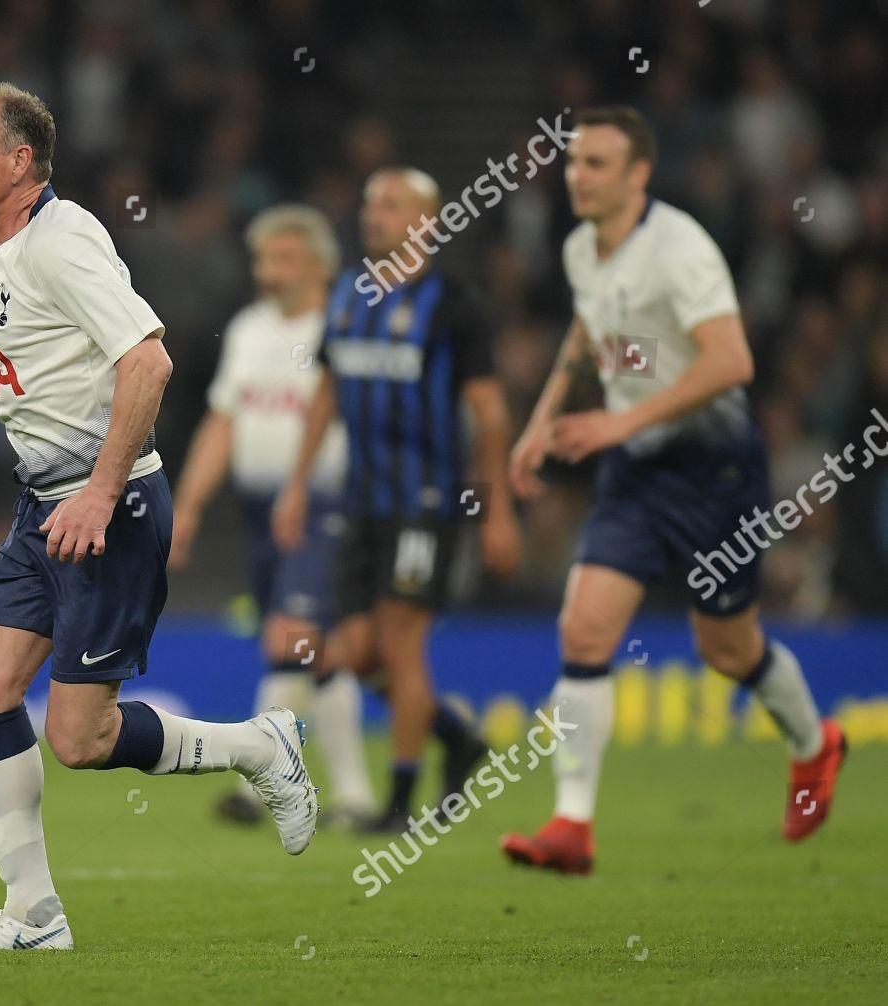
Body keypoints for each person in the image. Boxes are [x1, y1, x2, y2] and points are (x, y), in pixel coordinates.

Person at [0, 83, 318, 952]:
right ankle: (34, 917)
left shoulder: (65, 244)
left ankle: (260, 747)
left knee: (80, 737)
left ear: (18, 162)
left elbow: (149, 361)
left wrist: (100, 492)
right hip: (44, 508)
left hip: (111, 510)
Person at [500, 107, 847, 875]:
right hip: (635, 473)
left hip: (714, 469)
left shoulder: (681, 249)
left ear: (638, 174)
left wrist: (623, 426)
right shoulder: (579, 248)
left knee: (726, 646)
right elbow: (589, 333)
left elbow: (732, 362)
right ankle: (572, 824)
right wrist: (541, 420)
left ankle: (815, 744)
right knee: (584, 630)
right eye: (573, 161)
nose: (578, 175)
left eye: (596, 163)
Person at [274, 168, 523, 835]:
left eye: (390, 205)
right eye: (368, 203)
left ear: (428, 223)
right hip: (361, 505)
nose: (373, 215)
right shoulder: (350, 298)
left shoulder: (454, 307)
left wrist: (496, 510)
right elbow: (326, 392)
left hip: (425, 505)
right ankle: (459, 740)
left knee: (399, 643)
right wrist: (298, 483)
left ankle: (398, 800)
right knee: (353, 654)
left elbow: (490, 415)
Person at [169, 204, 376, 828]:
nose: (269, 271)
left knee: (290, 636)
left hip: (327, 502)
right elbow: (223, 422)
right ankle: (358, 797)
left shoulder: (343, 327)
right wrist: (190, 506)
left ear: (320, 265)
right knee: (313, 650)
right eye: (263, 258)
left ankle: (256, 787)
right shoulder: (249, 330)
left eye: (284, 258)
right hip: (262, 509)